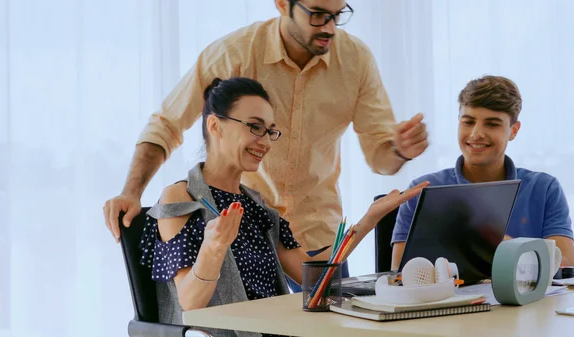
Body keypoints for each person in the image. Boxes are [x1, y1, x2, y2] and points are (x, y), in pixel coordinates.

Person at [104, 0, 429, 291]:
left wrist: (397, 150)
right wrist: (132, 191)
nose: (329, 28)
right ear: (282, 4)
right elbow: (168, 123)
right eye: (317, 15)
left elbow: (381, 157)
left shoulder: (356, 61)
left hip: (316, 237)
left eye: (337, 14)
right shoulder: (234, 54)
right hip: (242, 240)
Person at [139, 77, 428, 336]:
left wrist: (369, 219)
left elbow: (312, 277)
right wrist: (213, 247)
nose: (264, 141)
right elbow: (189, 302)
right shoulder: (181, 197)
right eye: (255, 127)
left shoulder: (256, 205)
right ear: (215, 125)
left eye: (270, 131)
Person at [390, 75, 574, 270]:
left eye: (492, 124)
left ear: (513, 130)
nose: (476, 134)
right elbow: (400, 273)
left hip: (529, 301)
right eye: (468, 122)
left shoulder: (544, 188)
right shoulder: (422, 190)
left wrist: (497, 242)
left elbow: (565, 265)